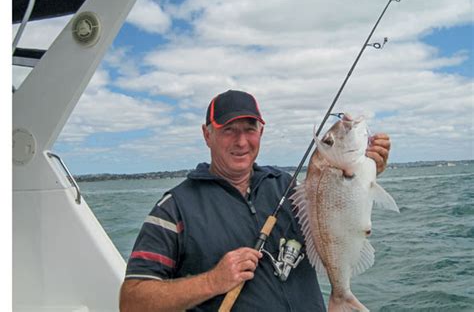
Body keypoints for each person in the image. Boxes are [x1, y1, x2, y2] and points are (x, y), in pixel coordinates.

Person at [119, 90, 391, 311]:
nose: (241, 141)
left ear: (260, 132)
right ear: (207, 134)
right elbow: (131, 301)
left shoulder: (288, 187)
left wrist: (362, 177)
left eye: (249, 129)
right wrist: (213, 281)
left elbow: (336, 220)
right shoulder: (175, 208)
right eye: (228, 129)